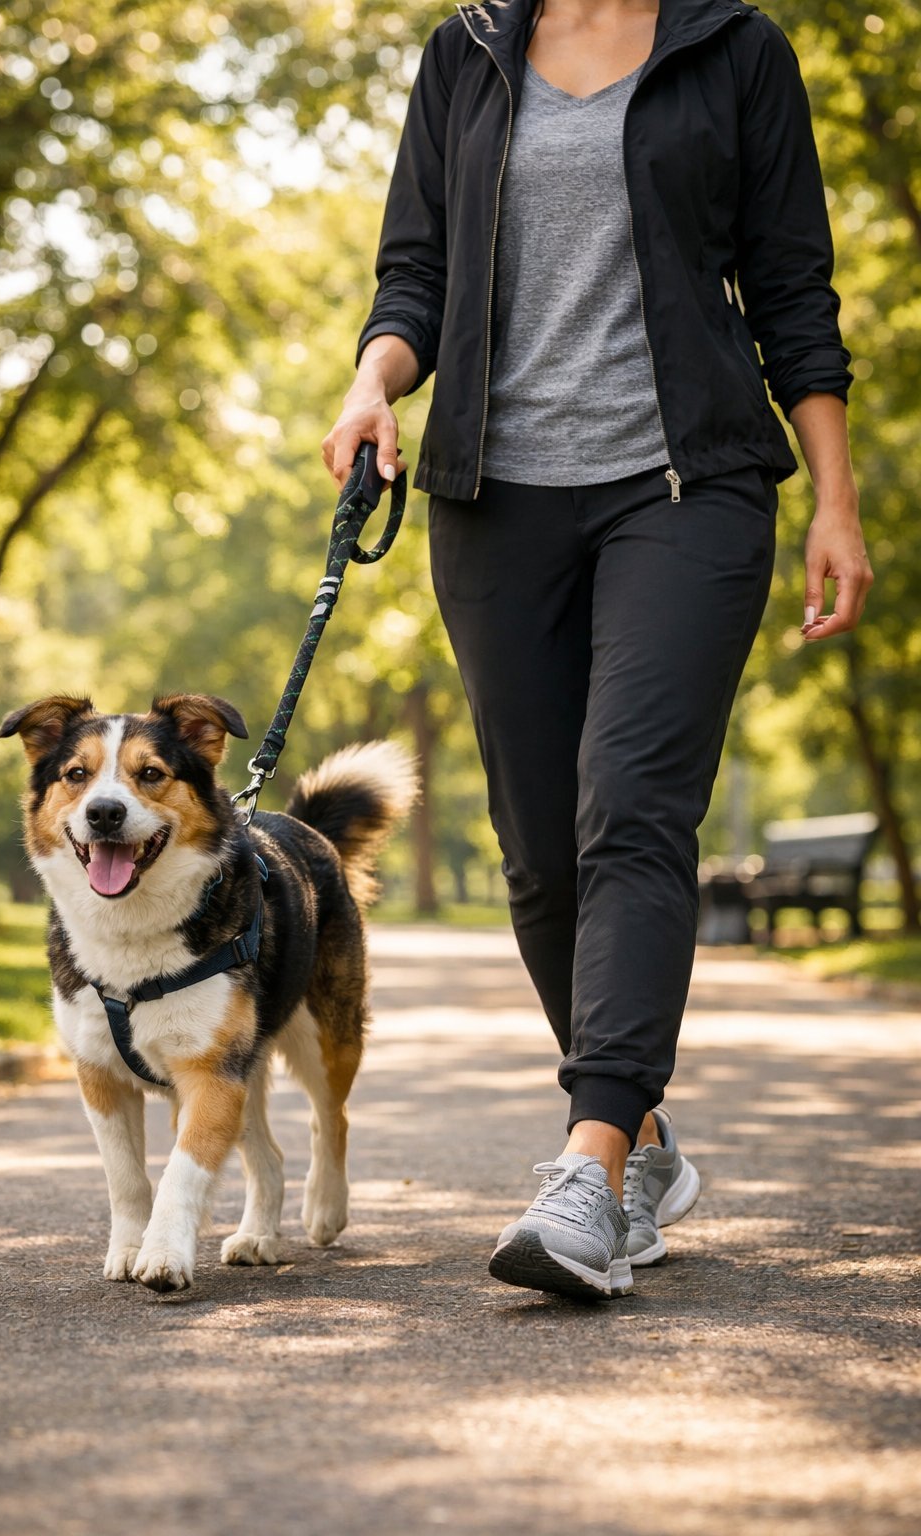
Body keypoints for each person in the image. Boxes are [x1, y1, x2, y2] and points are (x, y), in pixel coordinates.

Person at [322, 0, 872, 1302]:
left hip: (686, 487)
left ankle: (589, 1166)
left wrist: (835, 502)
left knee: (630, 805)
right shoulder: (466, 52)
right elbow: (417, 273)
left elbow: (794, 285)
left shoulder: (735, 50)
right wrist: (372, 385)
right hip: (491, 500)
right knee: (538, 849)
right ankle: (645, 1150)